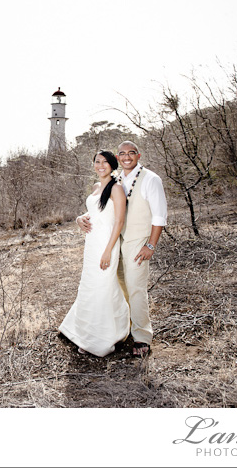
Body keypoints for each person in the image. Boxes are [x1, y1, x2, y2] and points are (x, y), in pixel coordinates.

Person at [59, 150, 130, 357]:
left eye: (105, 162)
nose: (100, 165)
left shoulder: (116, 189)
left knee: (103, 285)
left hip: (106, 244)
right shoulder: (96, 187)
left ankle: (100, 338)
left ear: (113, 165)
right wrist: (79, 218)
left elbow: (119, 221)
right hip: (92, 243)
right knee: (89, 285)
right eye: (97, 162)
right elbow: (96, 213)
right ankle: (83, 330)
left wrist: (108, 251)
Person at [114, 141, 167, 357]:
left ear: (139, 155)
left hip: (138, 240)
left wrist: (150, 245)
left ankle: (142, 336)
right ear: (117, 157)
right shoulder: (116, 179)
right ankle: (125, 328)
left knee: (136, 288)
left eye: (131, 153)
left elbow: (159, 216)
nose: (127, 157)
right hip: (118, 240)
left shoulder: (151, 179)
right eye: (122, 154)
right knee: (121, 287)